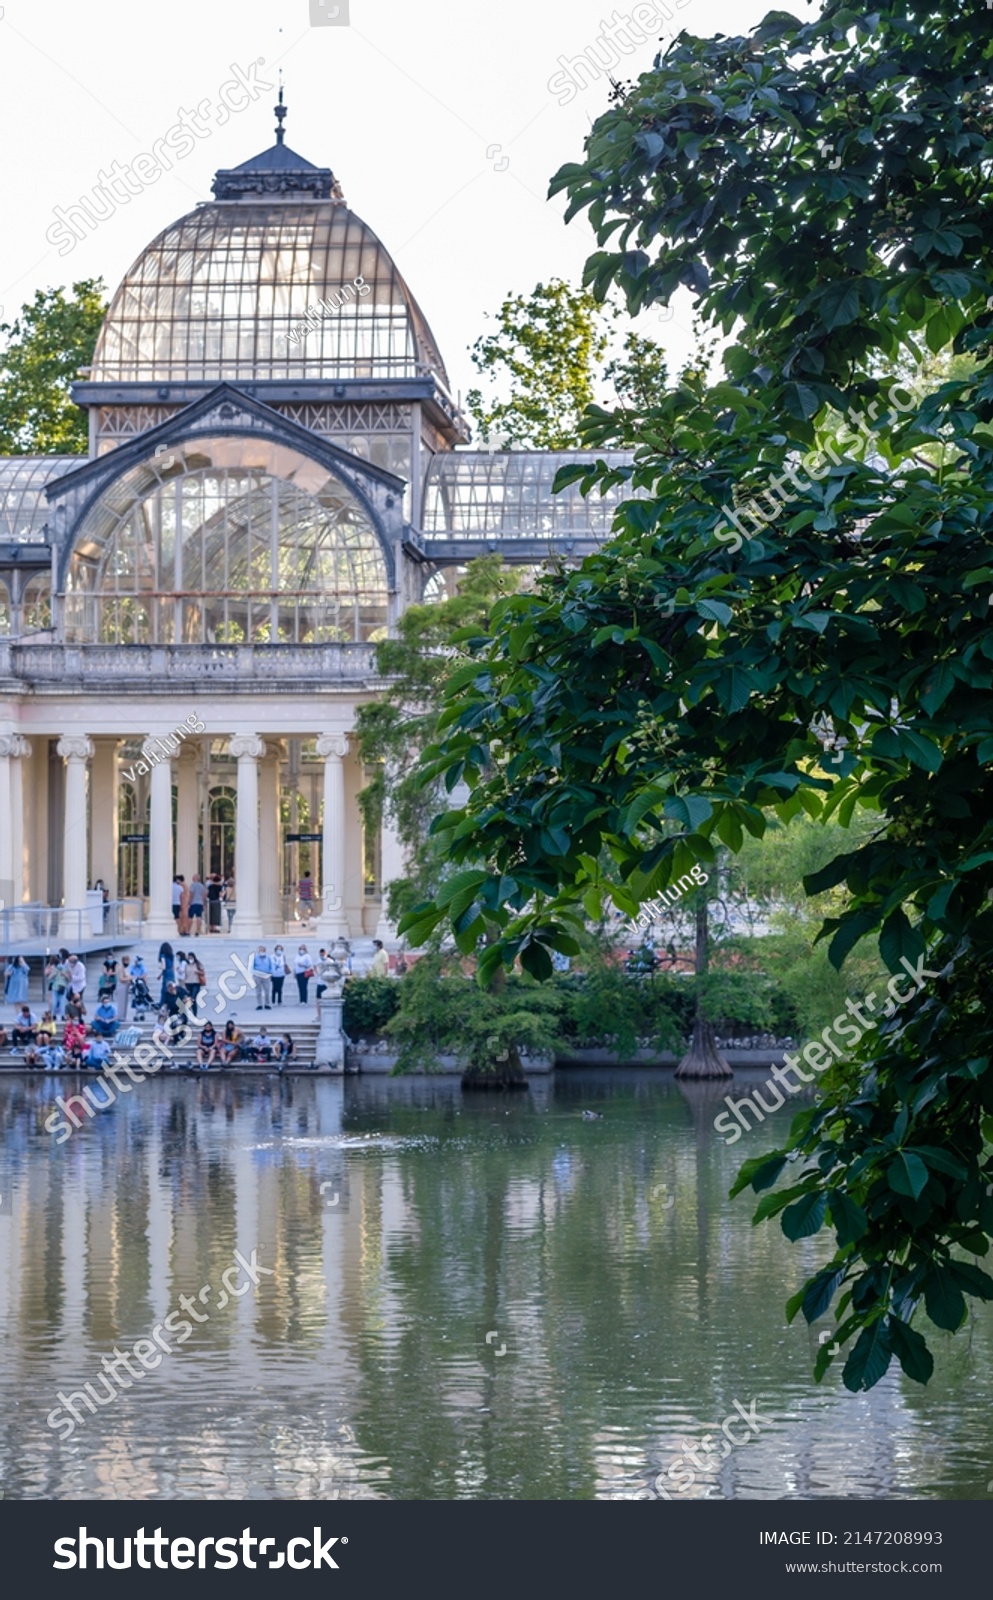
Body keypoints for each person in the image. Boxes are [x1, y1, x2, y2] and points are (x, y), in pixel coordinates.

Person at [47, 952, 71, 1019]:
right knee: (55, 1002)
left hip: (63, 987)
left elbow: (69, 979)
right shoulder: (54, 968)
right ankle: (53, 1015)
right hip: (55, 987)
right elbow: (49, 978)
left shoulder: (65, 968)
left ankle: (62, 1015)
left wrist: (65, 975)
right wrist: (53, 975)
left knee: (62, 1002)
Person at [157, 941, 175, 1007]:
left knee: (164, 989)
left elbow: (164, 967)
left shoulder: (163, 956)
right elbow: (172, 967)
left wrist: (159, 967)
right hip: (171, 973)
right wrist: (160, 975)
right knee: (172, 988)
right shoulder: (171, 956)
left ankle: (162, 1003)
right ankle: (171, 1002)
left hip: (166, 974)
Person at [118, 956, 133, 1023]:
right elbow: (121, 979)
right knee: (122, 1003)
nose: (128, 962)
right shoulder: (121, 968)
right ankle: (120, 1016)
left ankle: (124, 1017)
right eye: (127, 961)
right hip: (122, 986)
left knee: (125, 1003)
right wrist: (129, 978)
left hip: (126, 986)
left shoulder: (126, 968)